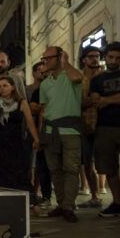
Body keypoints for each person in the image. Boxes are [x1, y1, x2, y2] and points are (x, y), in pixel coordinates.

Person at [89, 42, 120, 219]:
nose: (114, 60)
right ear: (106, 57)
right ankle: (117, 203)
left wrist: (109, 100)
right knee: (109, 167)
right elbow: (96, 100)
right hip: (104, 128)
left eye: (118, 57)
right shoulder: (96, 80)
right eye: (111, 57)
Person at [39, 46, 83, 223]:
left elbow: (78, 77)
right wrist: (40, 135)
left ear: (59, 57)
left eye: (48, 58)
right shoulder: (45, 83)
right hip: (50, 132)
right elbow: (43, 110)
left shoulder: (72, 75)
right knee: (55, 170)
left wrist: (66, 63)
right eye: (44, 59)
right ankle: (61, 203)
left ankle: (68, 206)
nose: (45, 62)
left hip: (70, 131)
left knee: (71, 169)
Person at [0, 77, 40, 192]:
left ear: (13, 87)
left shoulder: (21, 102)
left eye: (5, 85)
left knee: (18, 174)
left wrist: (36, 139)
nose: (2, 89)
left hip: (14, 144)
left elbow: (30, 122)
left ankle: (26, 202)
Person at [78, 46, 103, 208]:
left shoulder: (105, 77)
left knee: (105, 162)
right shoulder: (79, 80)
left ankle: (110, 198)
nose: (95, 59)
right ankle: (95, 196)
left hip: (104, 125)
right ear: (84, 60)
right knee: (87, 163)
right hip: (85, 125)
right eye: (91, 56)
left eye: (98, 56)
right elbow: (77, 103)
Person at [28, 62, 52, 207]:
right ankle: (46, 195)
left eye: (46, 72)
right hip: (41, 131)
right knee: (42, 167)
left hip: (58, 131)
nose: (44, 75)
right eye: (41, 72)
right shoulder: (37, 91)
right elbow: (33, 110)